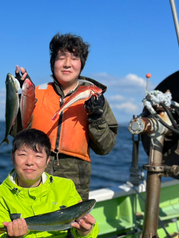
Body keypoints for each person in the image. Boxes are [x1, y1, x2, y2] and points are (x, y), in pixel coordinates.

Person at [16, 33, 118, 201]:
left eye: (75, 58)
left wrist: (97, 117)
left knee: (71, 225)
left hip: (76, 180)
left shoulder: (95, 96)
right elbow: (18, 135)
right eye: (61, 57)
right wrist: (21, 98)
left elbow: (105, 148)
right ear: (52, 63)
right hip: (34, 173)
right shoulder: (35, 93)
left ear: (82, 64)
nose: (67, 64)